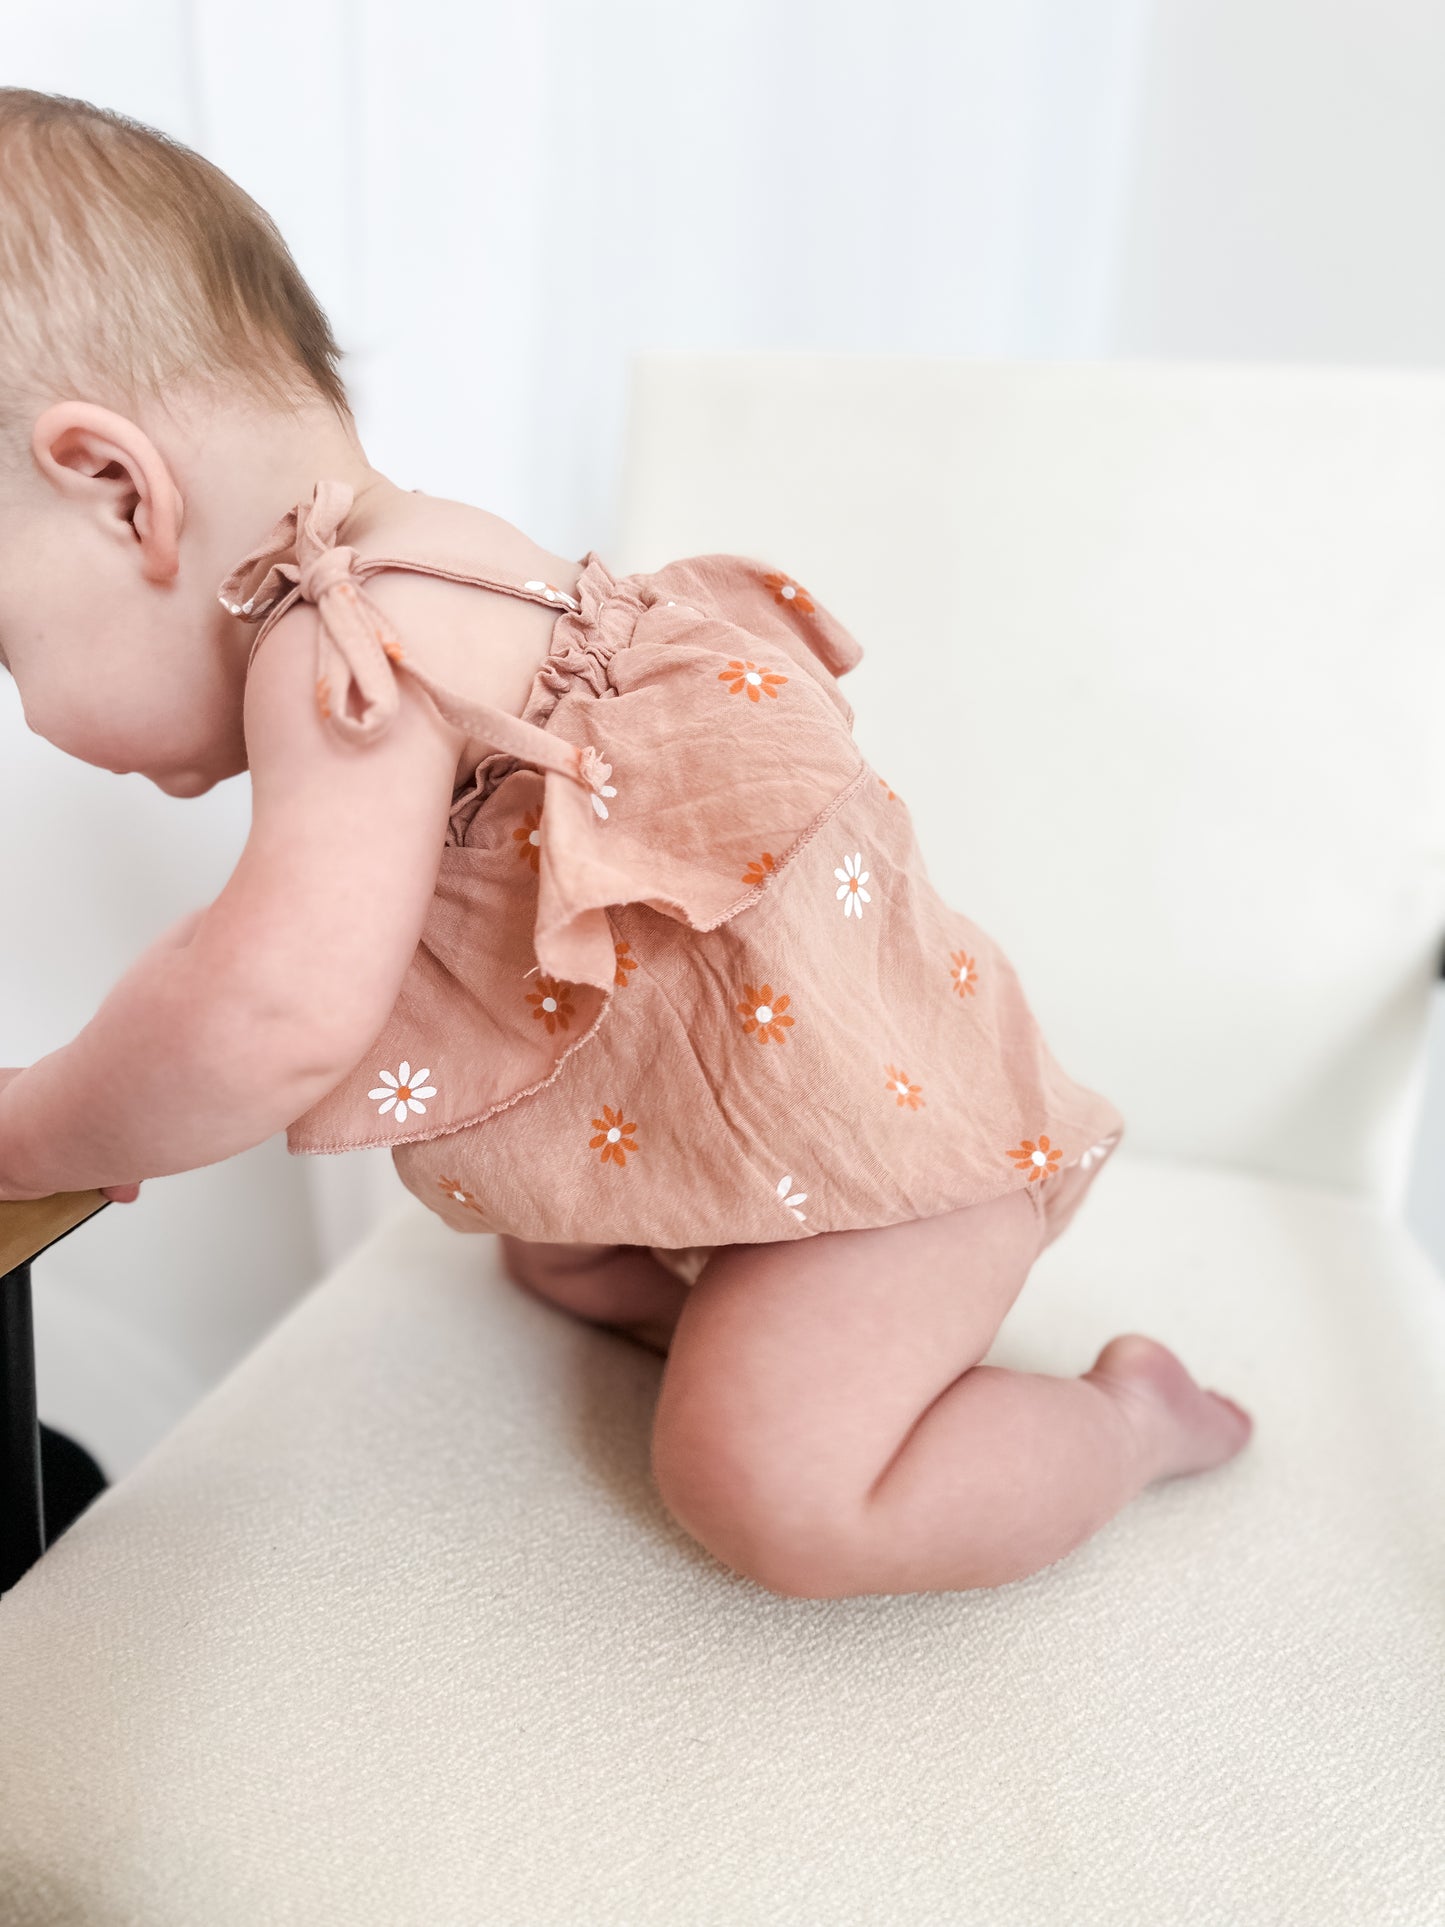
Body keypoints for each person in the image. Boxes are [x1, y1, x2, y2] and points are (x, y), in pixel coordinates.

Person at [0, 89, 1252, 1601]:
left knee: (765, 1491)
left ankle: (1121, 1424)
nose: (29, 714)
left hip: (893, 1166)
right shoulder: (389, 586)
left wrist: (42, 1132)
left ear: (118, 490)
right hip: (741, 1119)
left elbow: (266, 1009)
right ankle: (733, 1287)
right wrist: (119, 1101)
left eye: (8, 658)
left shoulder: (350, 631)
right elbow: (234, 967)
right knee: (555, 1253)